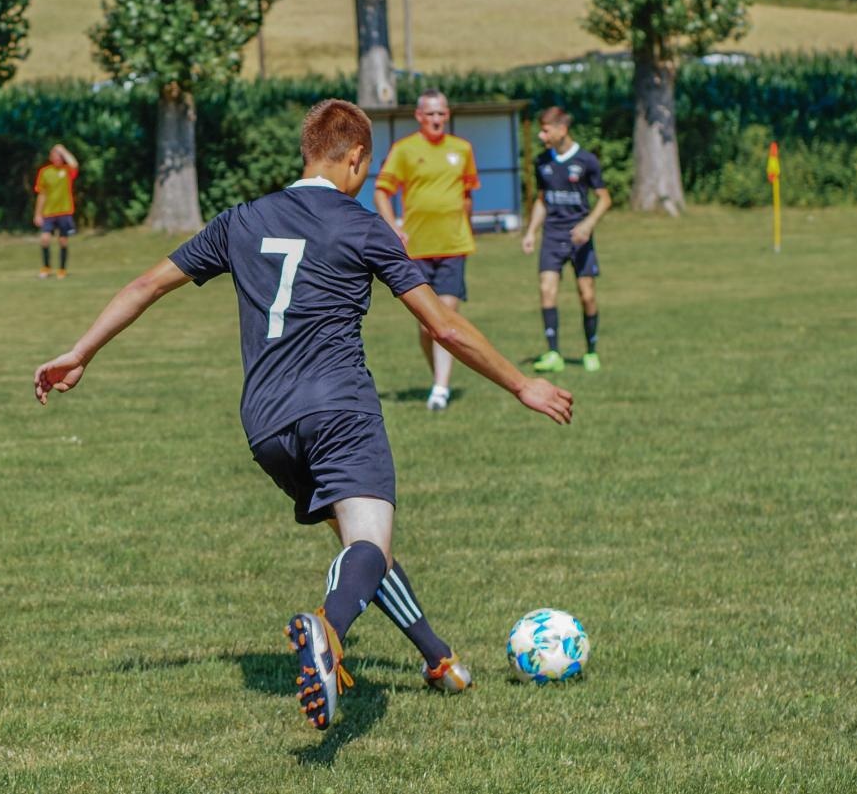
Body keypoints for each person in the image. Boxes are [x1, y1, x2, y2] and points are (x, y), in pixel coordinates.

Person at [33, 100, 573, 731]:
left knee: (360, 551)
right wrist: (519, 384)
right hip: (339, 405)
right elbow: (444, 328)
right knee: (367, 544)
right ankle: (329, 632)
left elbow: (145, 285)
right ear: (356, 159)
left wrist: (81, 351)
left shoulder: (242, 219)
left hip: (266, 422)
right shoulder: (363, 224)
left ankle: (437, 657)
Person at [373, 90, 480, 411]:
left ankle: (440, 389)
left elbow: (467, 193)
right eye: (430, 114)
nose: (436, 119)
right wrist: (393, 226)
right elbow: (381, 192)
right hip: (416, 250)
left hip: (453, 247)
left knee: (445, 318)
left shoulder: (462, 149)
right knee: (426, 327)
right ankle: (440, 380)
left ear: (448, 115)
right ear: (419, 116)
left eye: (441, 114)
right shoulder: (404, 150)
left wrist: (465, 226)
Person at [523, 107, 610, 372]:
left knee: (587, 295)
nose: (541, 135)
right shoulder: (542, 162)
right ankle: (553, 354)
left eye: (546, 130)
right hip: (553, 234)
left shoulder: (586, 160)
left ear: (562, 129)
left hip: (580, 238)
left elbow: (605, 199)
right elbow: (542, 201)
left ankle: (591, 351)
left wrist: (588, 224)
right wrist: (531, 232)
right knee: (547, 290)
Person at [32, 144, 80, 279]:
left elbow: (74, 164)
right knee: (45, 239)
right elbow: (42, 194)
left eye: (60, 156)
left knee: (63, 241)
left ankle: (62, 269)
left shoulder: (67, 171)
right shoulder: (45, 172)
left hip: (64, 211)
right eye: (55, 155)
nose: (58, 158)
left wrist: (63, 150)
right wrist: (37, 213)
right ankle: (46, 267)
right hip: (48, 212)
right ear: (50, 157)